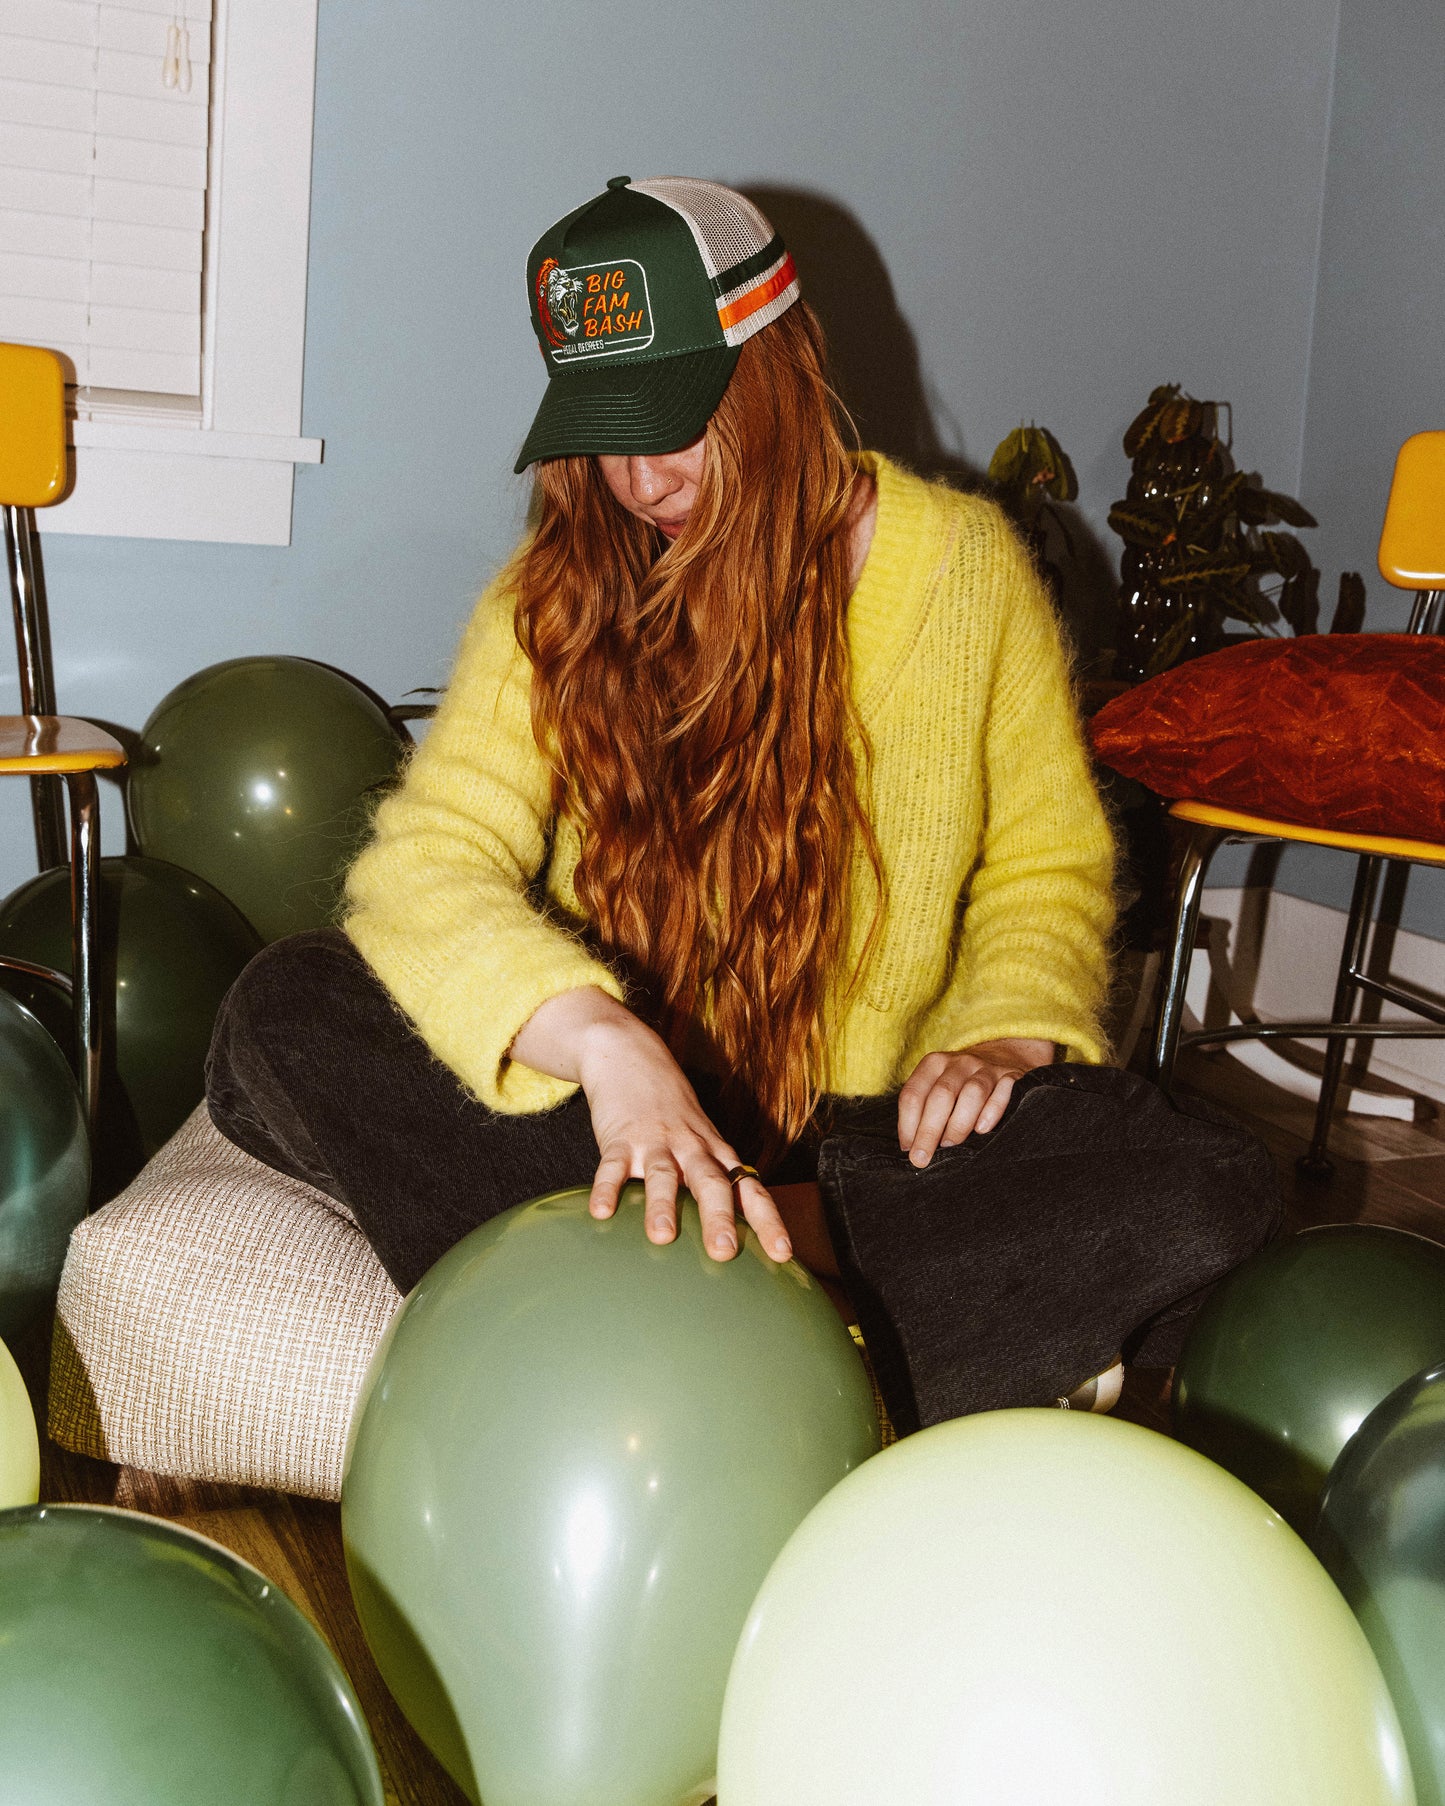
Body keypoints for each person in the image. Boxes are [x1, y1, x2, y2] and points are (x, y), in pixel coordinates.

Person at [206, 176, 1279, 1427]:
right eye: (600, 430)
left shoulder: (969, 570)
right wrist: (609, 1049)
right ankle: (809, 1330)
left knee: (1208, 1182)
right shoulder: (550, 595)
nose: (637, 477)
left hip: (863, 1144)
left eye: (671, 420)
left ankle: (704, 1281)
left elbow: (1044, 864)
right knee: (286, 1008)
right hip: (601, 1124)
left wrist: (1001, 1033)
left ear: (773, 364)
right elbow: (422, 863)